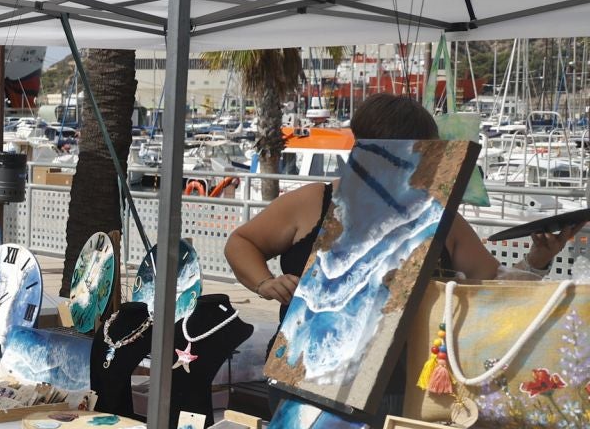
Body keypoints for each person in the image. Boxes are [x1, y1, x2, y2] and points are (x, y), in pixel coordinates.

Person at [226, 93, 576, 306]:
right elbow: (242, 242)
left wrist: (537, 261)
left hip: (404, 377)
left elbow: (489, 280)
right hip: (307, 376)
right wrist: (264, 282)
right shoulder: (314, 200)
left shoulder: (436, 213)